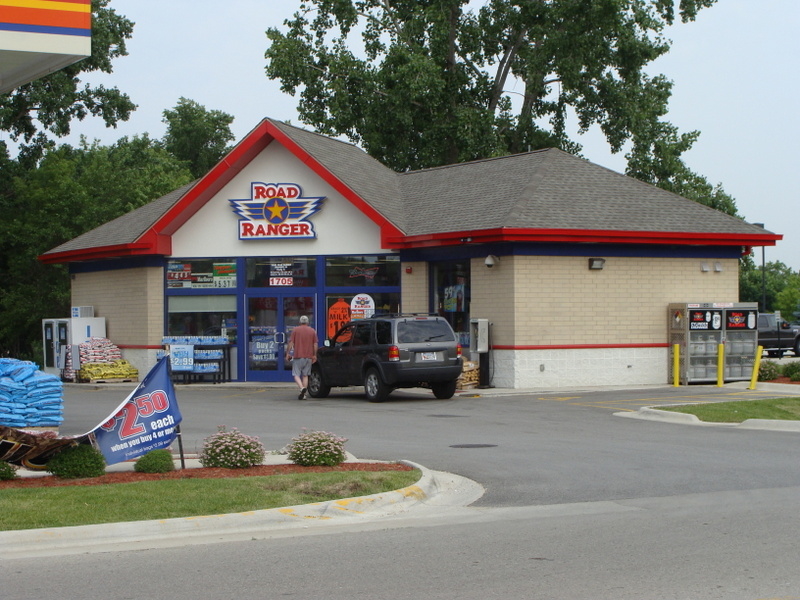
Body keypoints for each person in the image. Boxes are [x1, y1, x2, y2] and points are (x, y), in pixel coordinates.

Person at [285, 315, 318, 400]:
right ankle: (304, 394)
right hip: (308, 356)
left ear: (300, 322)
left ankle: (301, 388)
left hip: (298, 356)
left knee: (296, 374)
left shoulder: (295, 330)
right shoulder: (312, 331)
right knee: (305, 375)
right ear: (307, 322)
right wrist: (314, 355)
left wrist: (287, 353)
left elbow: (291, 342)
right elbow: (315, 344)